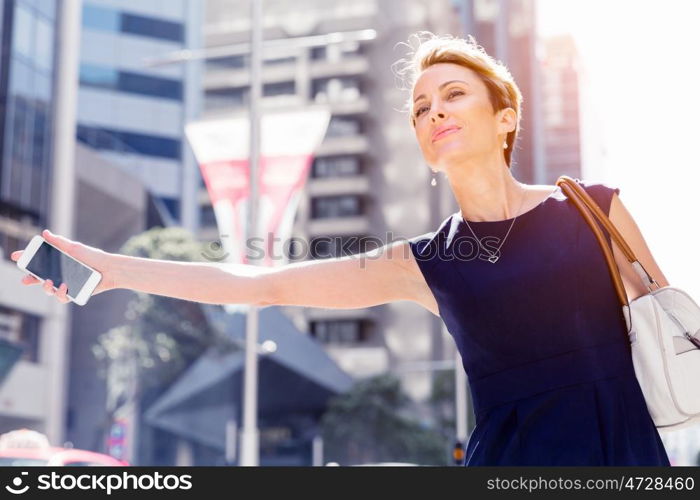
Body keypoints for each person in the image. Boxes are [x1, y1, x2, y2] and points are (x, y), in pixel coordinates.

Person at [11, 32, 672, 466]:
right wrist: (113, 270)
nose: (434, 112)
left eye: (452, 95)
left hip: (625, 453)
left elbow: (675, 336)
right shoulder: (427, 262)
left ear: (506, 118)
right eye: (420, 108)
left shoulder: (592, 209)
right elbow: (259, 284)